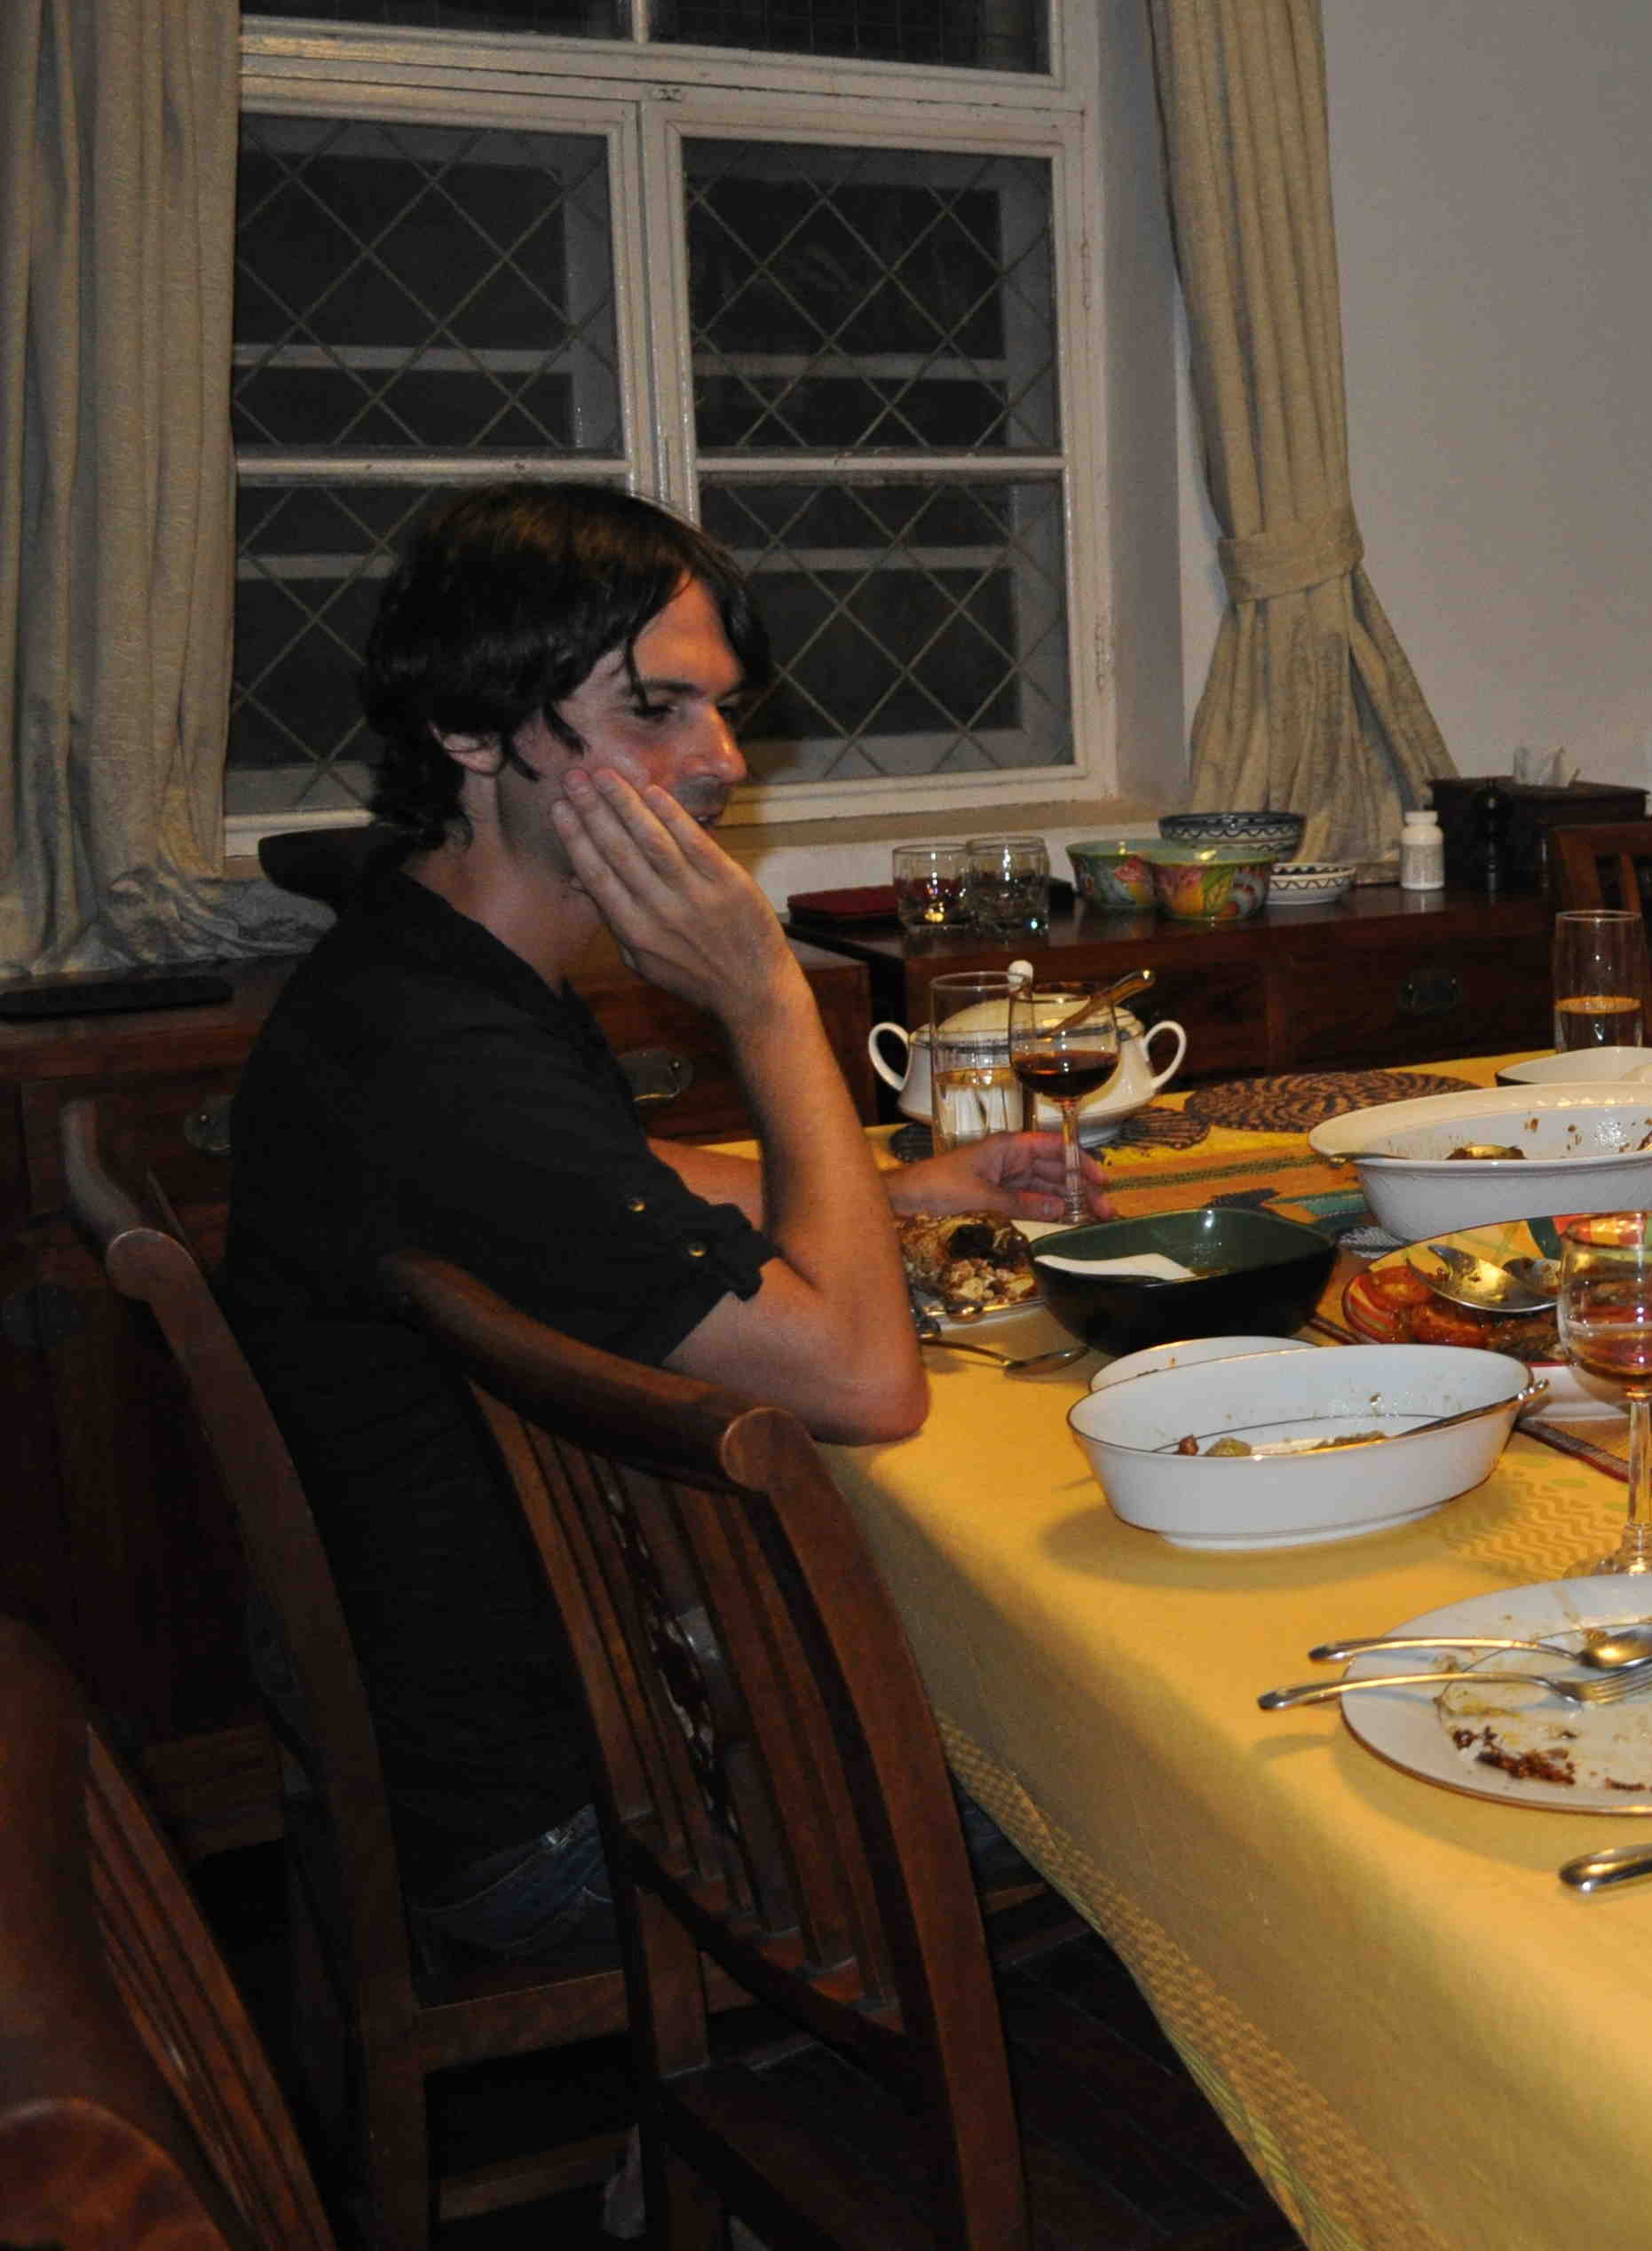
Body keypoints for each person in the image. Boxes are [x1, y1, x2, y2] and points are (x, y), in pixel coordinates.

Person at [224, 484, 1098, 1958]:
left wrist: (901, 1193)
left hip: (537, 1712)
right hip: (567, 1819)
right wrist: (769, 1003)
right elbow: (864, 1386)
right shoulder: (441, 1060)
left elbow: (613, 1179)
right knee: (1143, 1755)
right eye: (654, 710)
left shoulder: (421, 959)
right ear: (473, 728)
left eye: (722, 710)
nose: (721, 761)